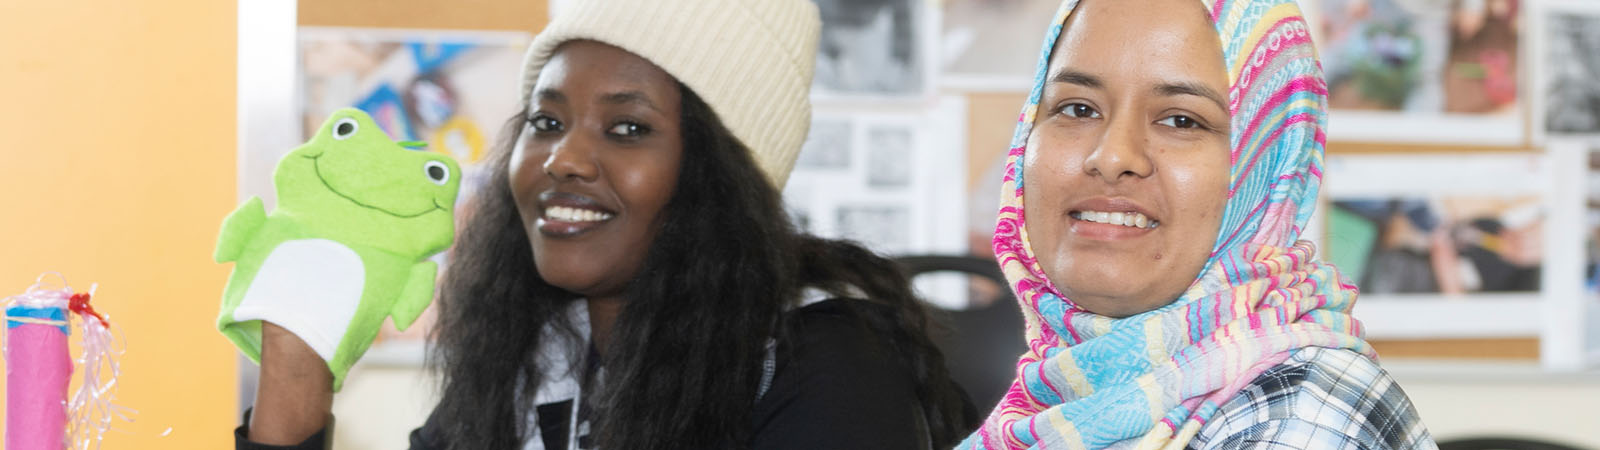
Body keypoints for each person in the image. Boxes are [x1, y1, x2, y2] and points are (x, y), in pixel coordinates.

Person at [234, 0, 973, 448]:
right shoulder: (535, 353)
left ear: (722, 174)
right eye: (547, 120)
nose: (563, 159)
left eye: (627, 129)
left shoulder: (831, 363)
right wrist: (297, 373)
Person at [957, 0, 1436, 449]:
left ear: (1269, 165)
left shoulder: (1301, 418)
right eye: (1077, 108)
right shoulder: (1061, 389)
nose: (1112, 156)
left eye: (1182, 120)